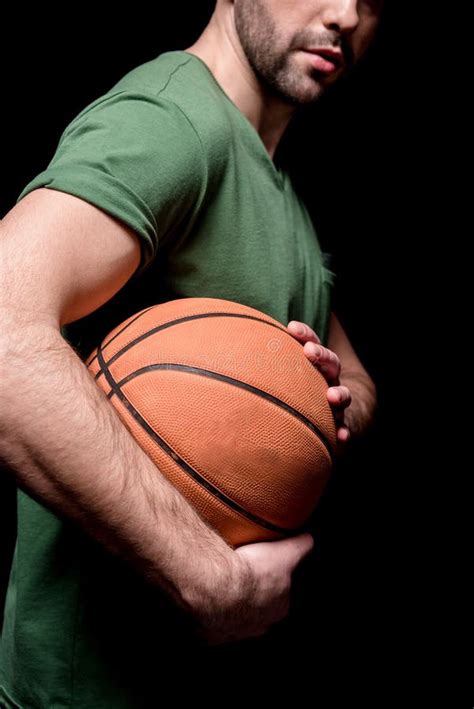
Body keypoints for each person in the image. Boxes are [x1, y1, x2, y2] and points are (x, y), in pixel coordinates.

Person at [0, 1, 382, 706]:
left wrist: (332, 397)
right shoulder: (170, 125)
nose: (346, 16)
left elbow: (356, 375)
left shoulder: (278, 187)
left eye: (375, 0)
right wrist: (215, 582)